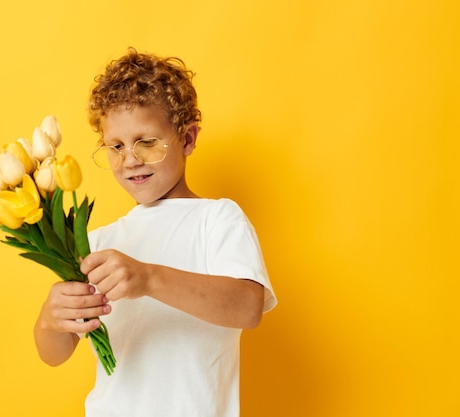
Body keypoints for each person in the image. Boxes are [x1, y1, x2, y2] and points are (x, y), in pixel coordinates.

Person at [33, 47, 277, 417]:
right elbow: (55, 353)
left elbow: (247, 307)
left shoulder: (217, 219)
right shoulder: (97, 242)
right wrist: (51, 319)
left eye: (146, 142)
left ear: (188, 139)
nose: (130, 159)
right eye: (116, 146)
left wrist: (149, 278)